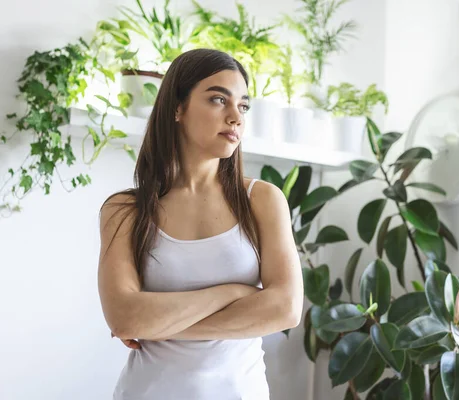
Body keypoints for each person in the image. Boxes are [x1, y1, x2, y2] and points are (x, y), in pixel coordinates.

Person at [97, 48, 304, 400]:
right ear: (178, 108)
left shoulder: (262, 200)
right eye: (218, 99)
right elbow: (125, 317)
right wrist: (234, 293)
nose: (235, 117)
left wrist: (159, 325)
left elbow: (285, 308)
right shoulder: (125, 210)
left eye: (242, 106)